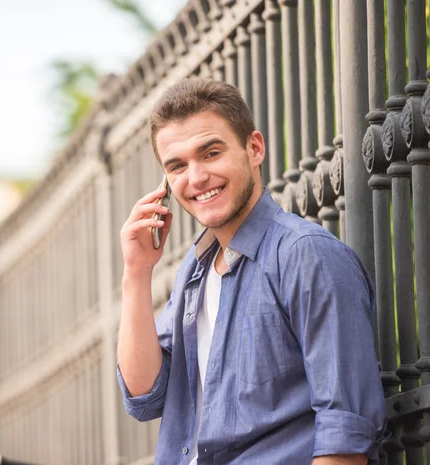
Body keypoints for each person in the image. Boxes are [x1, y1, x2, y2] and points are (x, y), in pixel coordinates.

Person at [117, 78, 386, 465]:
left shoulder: (305, 255)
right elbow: (144, 396)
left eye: (210, 153)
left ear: (254, 148)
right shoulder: (194, 272)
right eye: (177, 166)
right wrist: (136, 273)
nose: (195, 178)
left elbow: (345, 431)